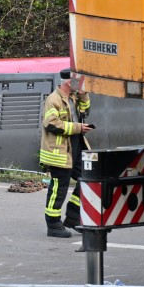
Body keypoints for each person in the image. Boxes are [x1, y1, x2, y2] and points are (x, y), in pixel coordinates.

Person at [40, 69, 94, 238]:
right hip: (59, 152)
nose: (81, 85)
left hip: (76, 147)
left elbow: (85, 112)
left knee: (88, 178)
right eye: (79, 82)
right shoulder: (53, 99)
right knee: (59, 188)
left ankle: (73, 216)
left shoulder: (74, 97)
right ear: (69, 82)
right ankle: (53, 224)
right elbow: (51, 123)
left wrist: (84, 96)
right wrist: (77, 128)